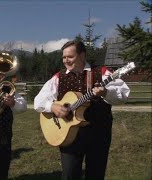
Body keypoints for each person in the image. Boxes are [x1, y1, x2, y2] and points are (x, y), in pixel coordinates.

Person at [34, 40, 130, 180]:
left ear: (82, 56)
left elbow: (123, 94)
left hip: (98, 133)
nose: (66, 60)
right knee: (69, 175)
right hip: (68, 136)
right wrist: (53, 106)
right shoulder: (58, 77)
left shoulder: (102, 72)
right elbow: (38, 101)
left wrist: (105, 93)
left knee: (95, 174)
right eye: (64, 57)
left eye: (70, 57)